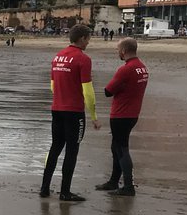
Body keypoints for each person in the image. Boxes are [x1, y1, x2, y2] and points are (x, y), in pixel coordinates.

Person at [40, 24, 100, 202]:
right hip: (73, 112)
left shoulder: (57, 56)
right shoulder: (83, 59)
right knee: (72, 151)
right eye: (88, 38)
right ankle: (65, 192)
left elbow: (52, 86)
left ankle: (44, 188)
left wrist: (62, 95)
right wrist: (94, 117)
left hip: (56, 109)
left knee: (55, 147)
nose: (88, 42)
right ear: (82, 38)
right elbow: (88, 92)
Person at [96, 38, 148, 197]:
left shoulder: (126, 69)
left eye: (118, 49)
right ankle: (114, 181)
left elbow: (108, 91)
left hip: (121, 114)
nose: (117, 52)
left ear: (124, 51)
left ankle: (128, 186)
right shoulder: (142, 67)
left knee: (121, 149)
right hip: (132, 113)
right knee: (116, 147)